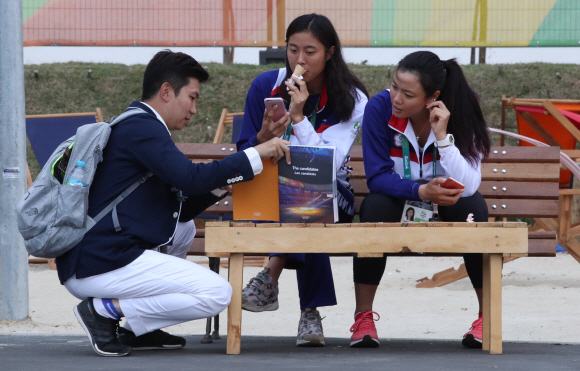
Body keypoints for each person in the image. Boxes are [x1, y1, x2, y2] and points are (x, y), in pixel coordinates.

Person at [55, 50, 291, 357]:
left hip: (99, 255)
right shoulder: (142, 128)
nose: (194, 109)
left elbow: (182, 207)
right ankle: (102, 311)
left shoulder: (142, 128)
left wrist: (231, 178)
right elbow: (191, 178)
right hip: (99, 262)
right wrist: (255, 154)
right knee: (218, 293)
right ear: (167, 91)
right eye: (192, 97)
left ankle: (139, 327)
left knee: (184, 228)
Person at [236, 13, 368, 347]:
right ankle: (310, 311)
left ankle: (271, 273)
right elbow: (243, 153)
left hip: (333, 196)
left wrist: (298, 117)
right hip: (269, 192)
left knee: (310, 196)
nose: (300, 60)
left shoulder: (353, 99)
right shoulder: (265, 85)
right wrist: (263, 137)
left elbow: (331, 163)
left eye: (310, 51)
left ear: (330, 53)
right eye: (293, 49)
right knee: (303, 202)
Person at [350, 51, 491, 349]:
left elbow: (469, 186)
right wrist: (420, 192)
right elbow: (377, 176)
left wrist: (442, 137)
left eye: (407, 93)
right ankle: (363, 317)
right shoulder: (379, 108)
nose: (396, 98)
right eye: (394, 86)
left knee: (474, 210)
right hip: (402, 198)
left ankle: (485, 318)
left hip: (449, 202)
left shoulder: (462, 111)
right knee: (374, 206)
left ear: (433, 97)